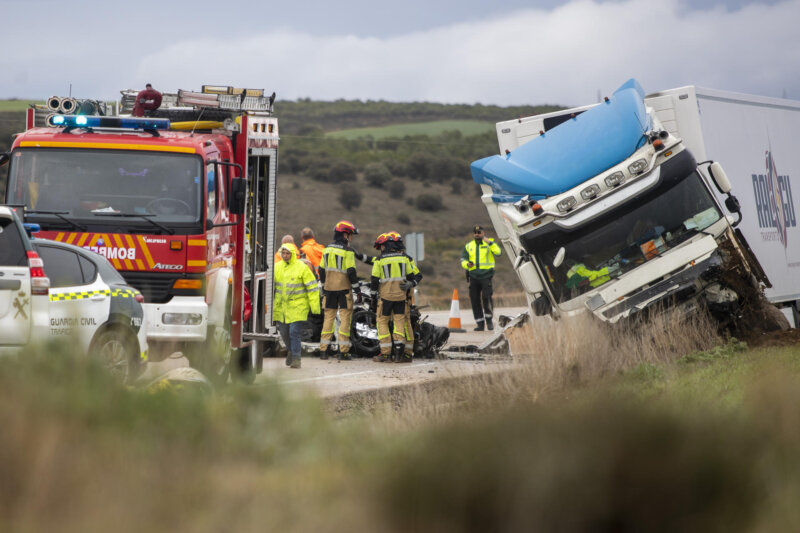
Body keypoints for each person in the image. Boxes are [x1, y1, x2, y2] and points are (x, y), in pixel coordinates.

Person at [370, 232, 418, 363]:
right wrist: (410, 284)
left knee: (382, 322)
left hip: (385, 298)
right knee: (399, 323)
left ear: (384, 246)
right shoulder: (404, 258)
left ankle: (385, 354)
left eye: (380, 247)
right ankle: (398, 355)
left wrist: (373, 297)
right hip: (401, 298)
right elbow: (412, 277)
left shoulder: (380, 260)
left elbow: (374, 280)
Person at [273, 243, 320, 369]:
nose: (285, 256)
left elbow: (312, 287)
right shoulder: (276, 267)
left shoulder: (302, 267)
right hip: (281, 307)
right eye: (283, 253)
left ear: (293, 254)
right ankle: (290, 351)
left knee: (294, 332)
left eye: (287, 253)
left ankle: (296, 358)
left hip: (298, 306)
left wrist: (314, 307)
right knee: (283, 332)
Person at [318, 220, 360, 360]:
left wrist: (324, 285)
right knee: (345, 320)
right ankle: (343, 351)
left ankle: (324, 351)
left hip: (329, 290)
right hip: (343, 291)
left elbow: (321, 270)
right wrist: (358, 290)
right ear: (345, 235)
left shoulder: (327, 249)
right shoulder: (347, 251)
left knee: (328, 320)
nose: (351, 238)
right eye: (350, 235)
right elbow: (351, 272)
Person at [461, 225, 502, 331]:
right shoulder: (469, 245)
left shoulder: (489, 243)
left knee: (486, 297)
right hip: (473, 276)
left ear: (483, 233)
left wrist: (490, 243)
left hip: (486, 276)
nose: (477, 234)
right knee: (475, 299)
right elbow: (463, 259)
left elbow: (498, 252)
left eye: (479, 232)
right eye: (475, 232)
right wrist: (467, 264)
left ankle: (489, 321)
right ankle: (480, 323)